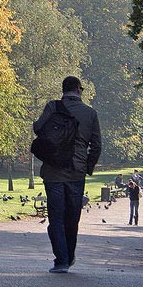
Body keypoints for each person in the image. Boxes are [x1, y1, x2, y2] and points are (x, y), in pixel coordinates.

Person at [33, 76, 101, 273]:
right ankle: (69, 256)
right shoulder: (90, 113)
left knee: (56, 217)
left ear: (63, 90)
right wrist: (87, 165)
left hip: (53, 170)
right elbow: (96, 146)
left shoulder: (52, 107)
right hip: (76, 171)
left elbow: (38, 129)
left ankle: (61, 259)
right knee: (72, 216)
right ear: (79, 90)